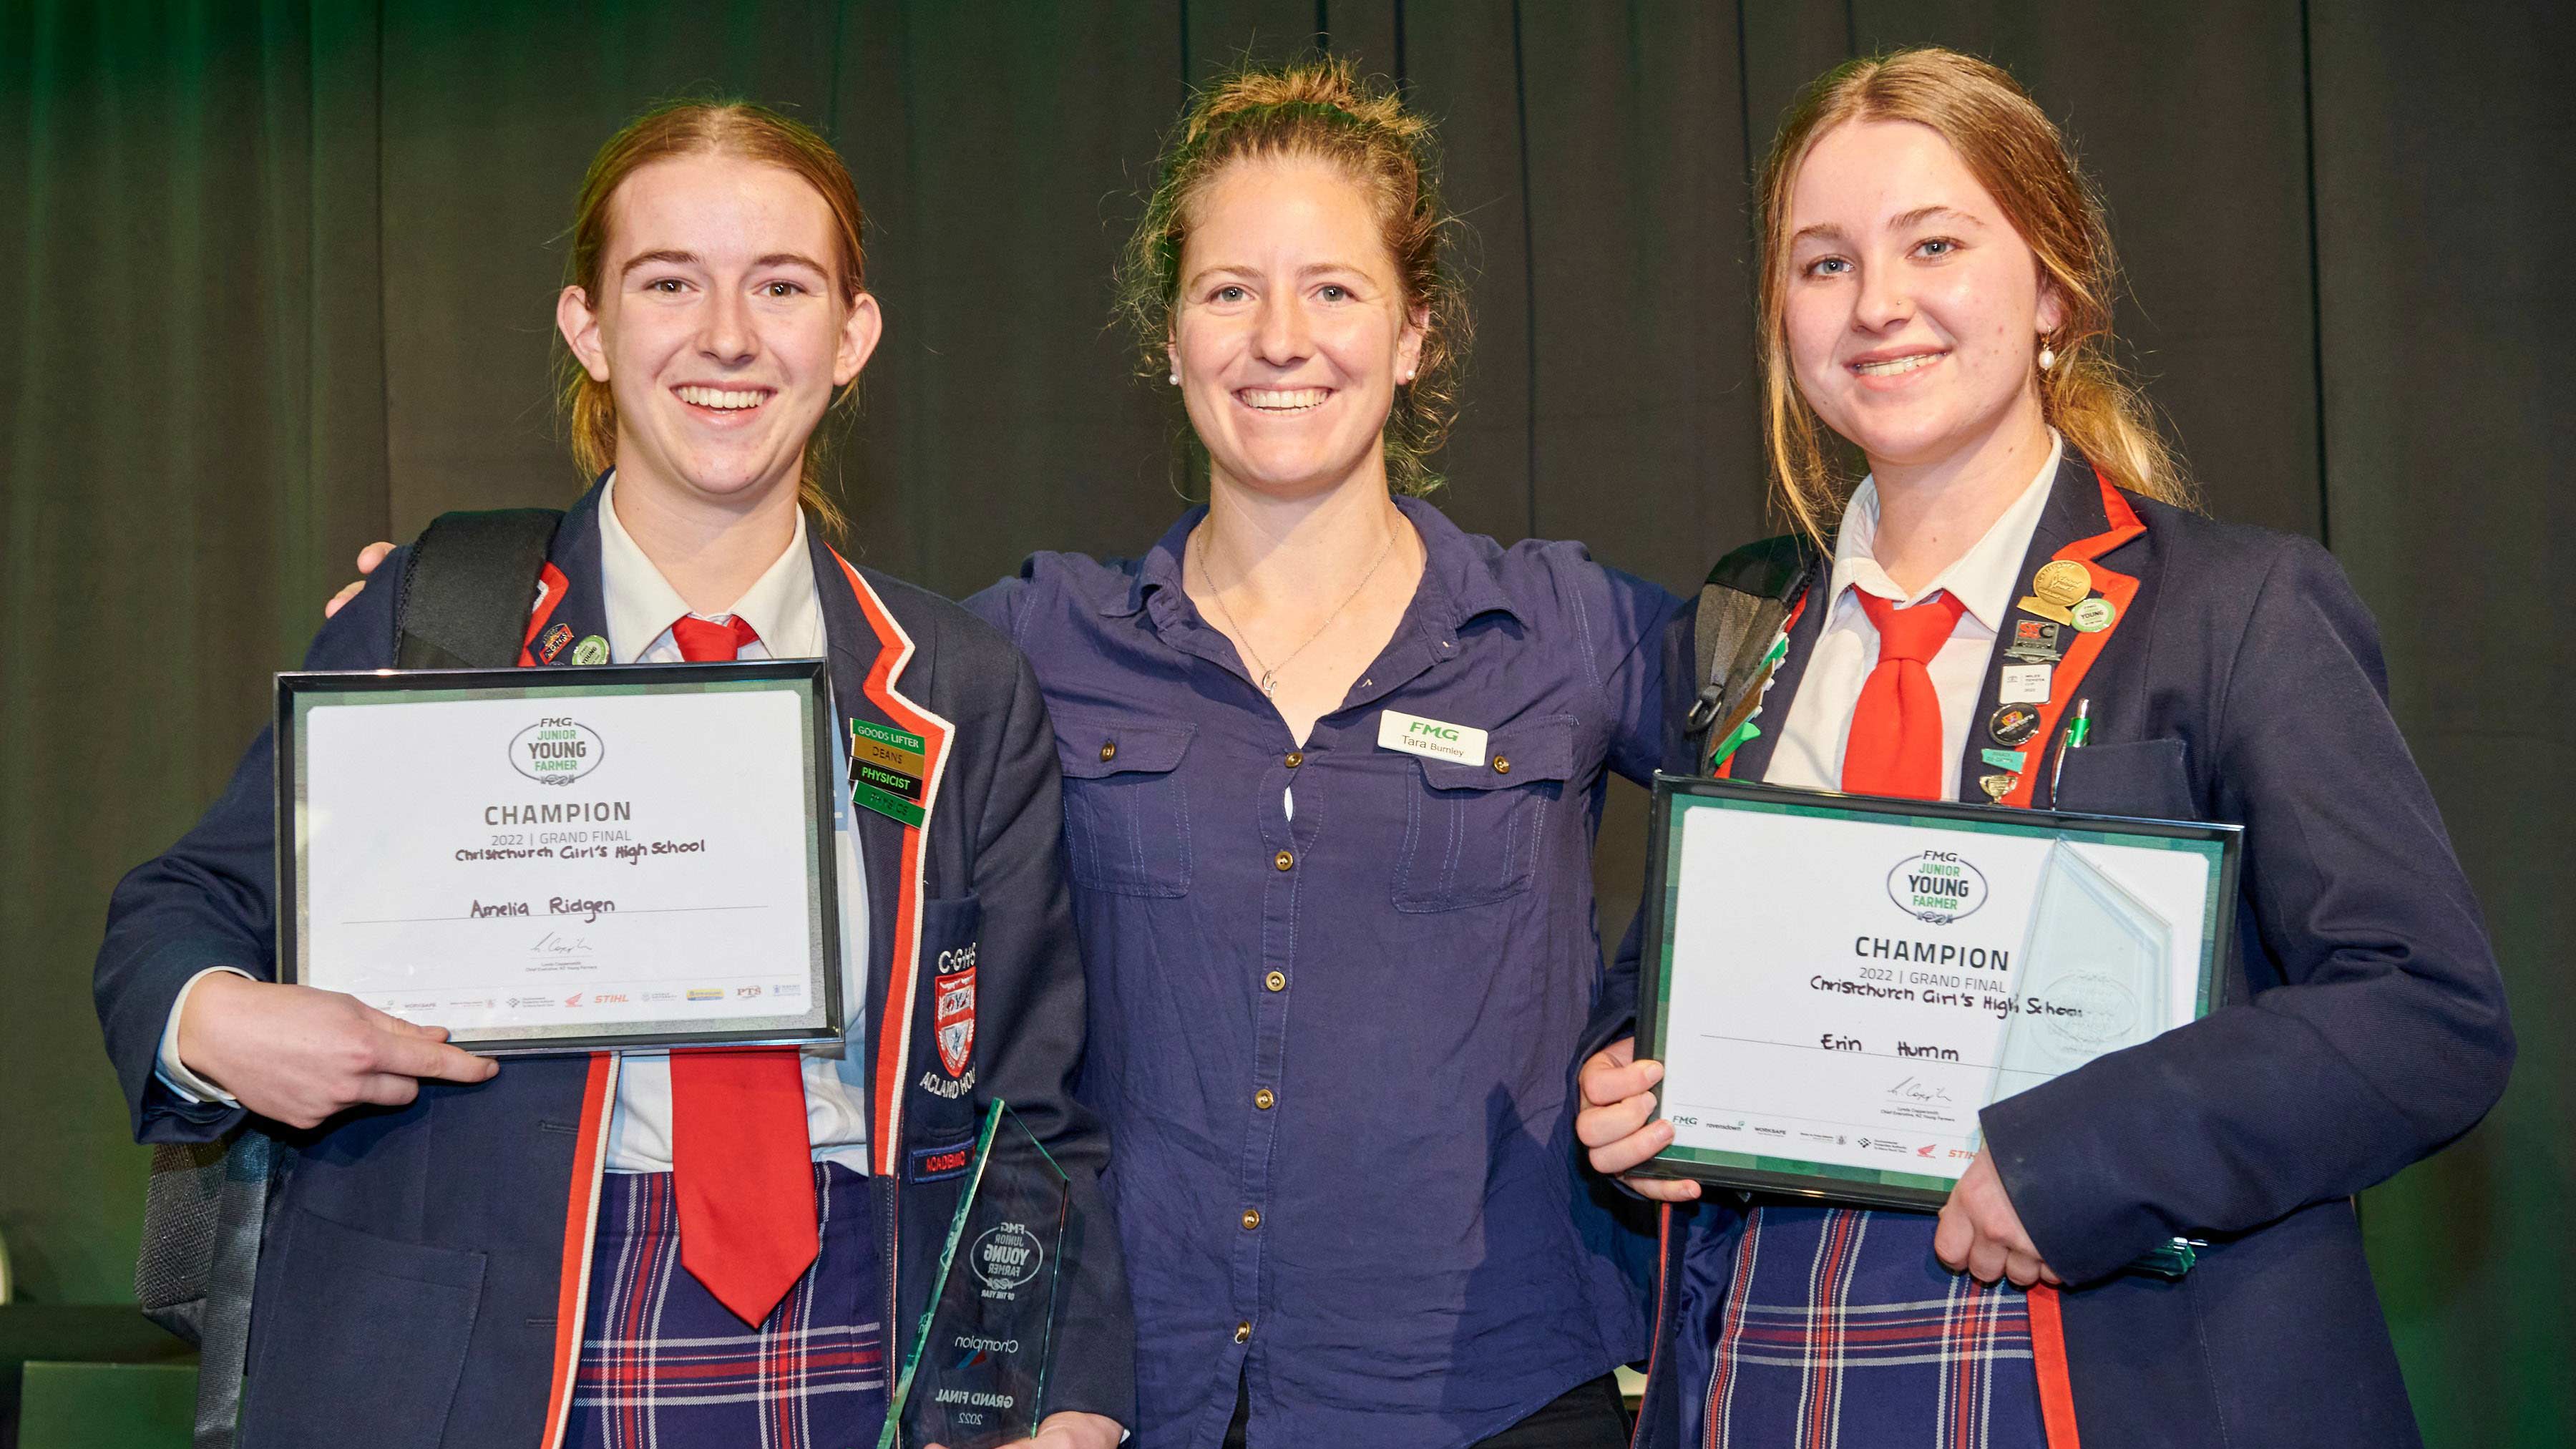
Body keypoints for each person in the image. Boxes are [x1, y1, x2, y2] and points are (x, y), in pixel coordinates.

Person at [98, 101, 1129, 1449]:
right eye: (668, 283)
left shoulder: (957, 686)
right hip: (479, 1367)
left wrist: (1062, 1397)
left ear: (852, 335)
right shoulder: (439, 620)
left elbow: (1029, 1109)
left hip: (861, 1353)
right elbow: (176, 913)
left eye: (781, 285)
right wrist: (217, 1022)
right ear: (588, 325)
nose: (726, 336)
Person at [1574, 49, 2512, 1449]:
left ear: (2053, 289)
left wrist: (2085, 1154)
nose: (1877, 303)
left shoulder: (2233, 610)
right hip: (1770, 1369)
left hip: (2099, 1369)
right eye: (1823, 263)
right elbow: (1671, 979)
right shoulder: (1737, 617)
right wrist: (1627, 1086)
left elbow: (2427, 1009)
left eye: (1934, 245)